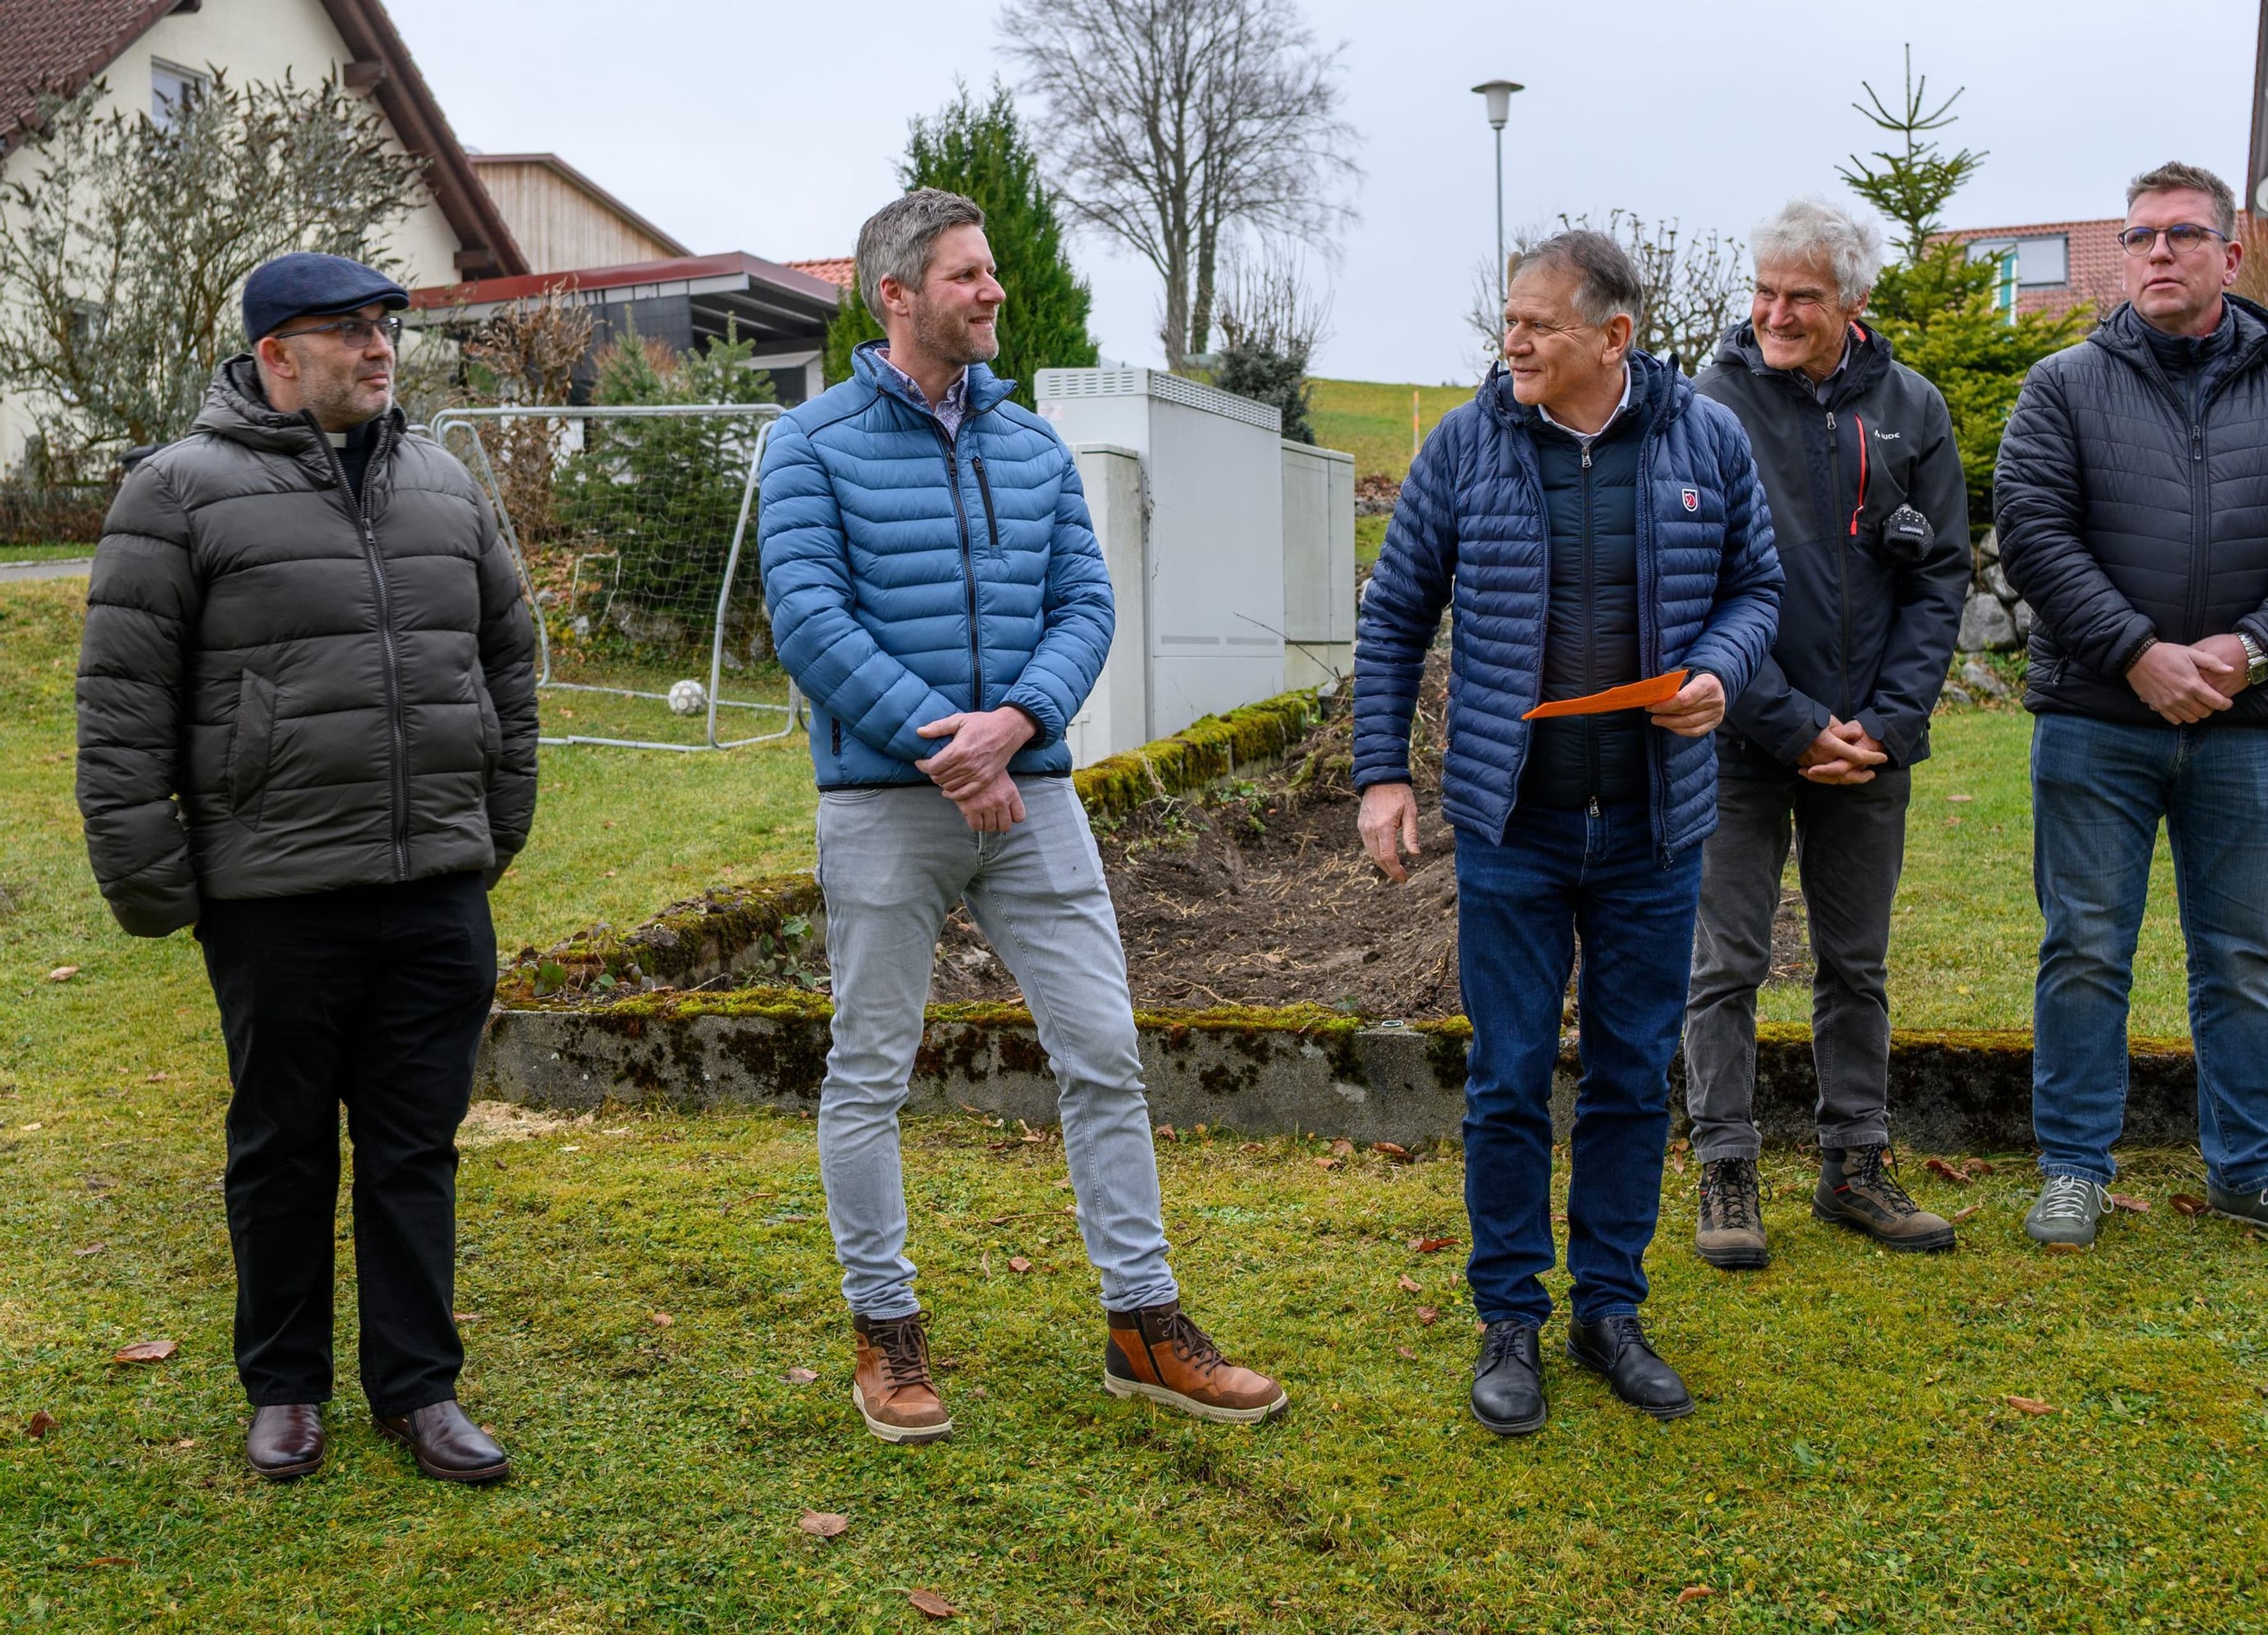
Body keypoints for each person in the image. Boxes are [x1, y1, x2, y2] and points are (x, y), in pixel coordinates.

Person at [759, 188, 1284, 1444]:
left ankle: (1143, 1323)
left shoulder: (1034, 445)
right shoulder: (812, 445)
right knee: (871, 1069)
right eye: (966, 276)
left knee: (1104, 1049)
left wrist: (1015, 727)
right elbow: (812, 621)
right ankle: (886, 1334)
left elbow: (1086, 603)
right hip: (887, 804)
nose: (993, 291)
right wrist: (955, 746)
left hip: (1033, 794)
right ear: (896, 295)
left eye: (991, 273)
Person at [75, 252, 537, 1482]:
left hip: (434, 887)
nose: (379, 347)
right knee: (281, 1146)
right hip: (275, 894)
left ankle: (420, 1390)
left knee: (414, 1147)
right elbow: (123, 707)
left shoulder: (444, 480)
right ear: (276, 354)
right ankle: (284, 1388)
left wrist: (496, 823)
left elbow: (509, 660)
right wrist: (151, 879)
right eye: (347, 330)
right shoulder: (177, 492)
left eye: (386, 325)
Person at [1354, 230, 1783, 1435]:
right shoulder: (1467, 446)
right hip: (1514, 826)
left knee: (1635, 1075)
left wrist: (1721, 666)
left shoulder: (1707, 439)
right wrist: (1381, 775)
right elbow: (1393, 618)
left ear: (1615, 337)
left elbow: (1760, 586)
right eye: (1508, 318)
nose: (1515, 340)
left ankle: (1610, 1307)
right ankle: (1509, 1318)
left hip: (1656, 826)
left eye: (1539, 323)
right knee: (1506, 1076)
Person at [1995, 162, 2268, 1251]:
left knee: (2242, 955)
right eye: (2139, 237)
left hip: (2250, 729)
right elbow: (2032, 528)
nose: (2157, 253)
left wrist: (2252, 650)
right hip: (2095, 720)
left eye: (2180, 234)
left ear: (2232, 251)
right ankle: (2074, 1168)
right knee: (2082, 948)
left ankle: (2253, 1171)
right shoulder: (2061, 385)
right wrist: (2136, 654)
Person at [1684, 198, 1970, 1269]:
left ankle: (1855, 1164)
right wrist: (1793, 725)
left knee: (1857, 965)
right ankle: (1726, 1167)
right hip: (1737, 738)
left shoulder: (1914, 408)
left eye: (1800, 295)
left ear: (1853, 300)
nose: (1775, 311)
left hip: (1869, 750)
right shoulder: (1707, 407)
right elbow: (1691, 588)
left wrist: (1887, 727)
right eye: (1763, 290)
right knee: (1727, 962)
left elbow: (1939, 576)